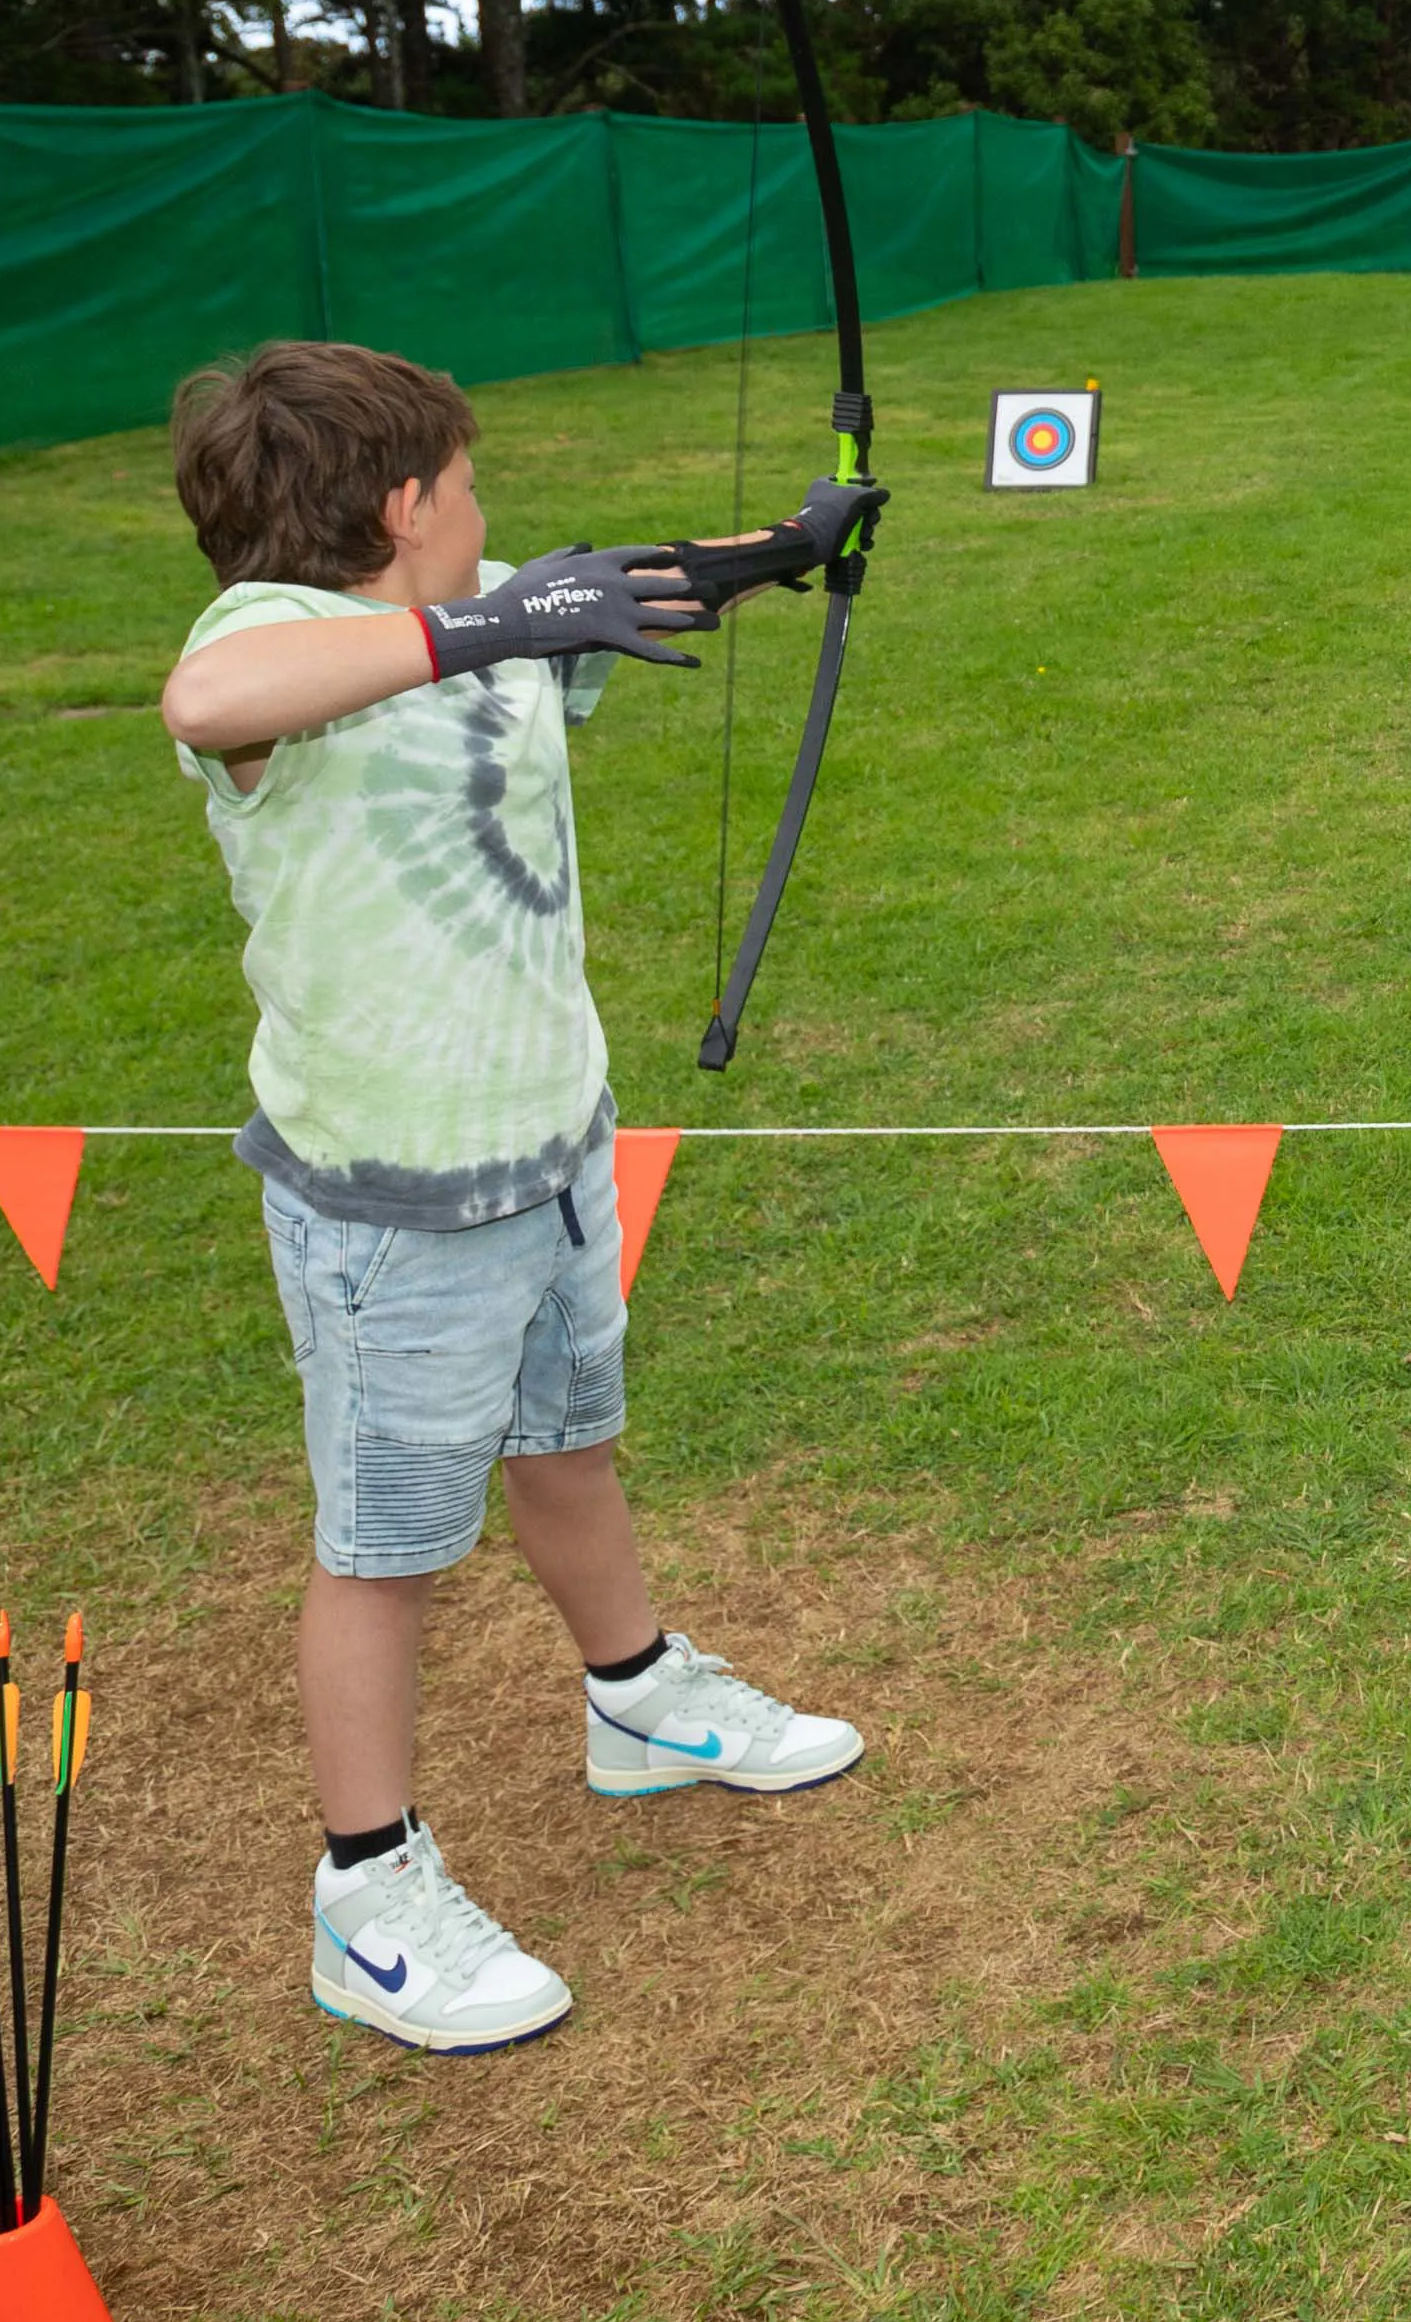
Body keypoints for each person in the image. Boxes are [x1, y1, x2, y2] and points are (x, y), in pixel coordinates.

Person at [153, 341, 874, 2053]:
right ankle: (365, 1890)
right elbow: (209, 713)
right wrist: (492, 624)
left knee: (567, 1442)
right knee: (384, 1548)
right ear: (403, 506)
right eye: (467, 484)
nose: (490, 513)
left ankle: (635, 1703)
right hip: (395, 1201)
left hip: (547, 1142)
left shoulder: (488, 619)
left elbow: (608, 591)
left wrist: (782, 551)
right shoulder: (268, 639)